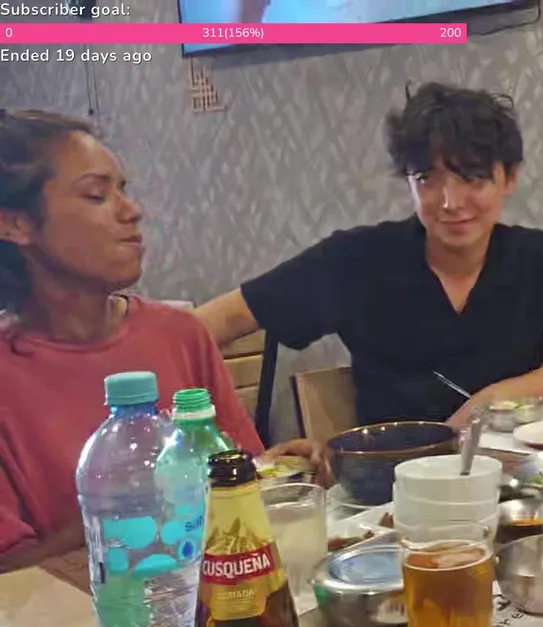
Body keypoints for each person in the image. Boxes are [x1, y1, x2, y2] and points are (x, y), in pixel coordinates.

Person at [196, 82, 543, 429]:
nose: (450, 202)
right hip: (390, 483)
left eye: (472, 178)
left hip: (507, 475)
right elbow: (207, 324)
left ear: (509, 177)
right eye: (427, 180)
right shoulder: (357, 259)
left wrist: (492, 399)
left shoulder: (536, 256)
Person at [0, 110, 310, 571]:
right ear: (16, 225)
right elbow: (11, 574)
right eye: (96, 195)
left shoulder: (179, 334)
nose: (132, 211)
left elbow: (235, 482)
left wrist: (272, 470)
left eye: (123, 190)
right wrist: (138, 511)